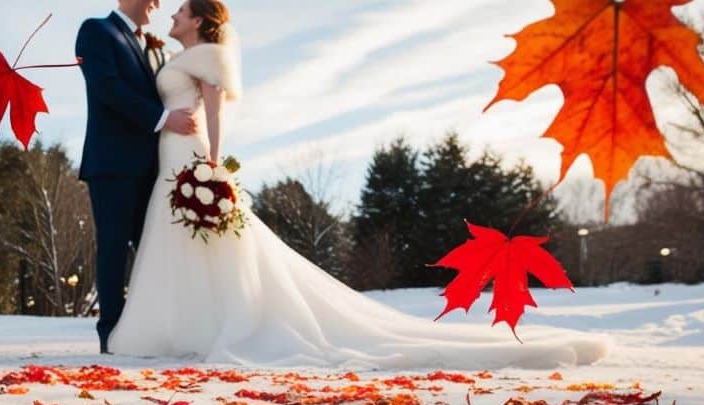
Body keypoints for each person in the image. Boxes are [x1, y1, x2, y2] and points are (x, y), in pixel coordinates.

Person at [107, 0, 610, 369]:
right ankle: (179, 324)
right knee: (177, 242)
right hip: (169, 154)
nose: (171, 16)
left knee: (206, 241)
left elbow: (213, 109)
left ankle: (213, 323)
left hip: (191, 157)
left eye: (179, 12)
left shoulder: (207, 58)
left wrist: (213, 164)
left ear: (197, 19)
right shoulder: (173, 56)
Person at [76, 0, 198, 354]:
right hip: (112, 164)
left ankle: (153, 329)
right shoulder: (96, 30)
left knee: (153, 250)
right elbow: (107, 88)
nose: (158, 4)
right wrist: (163, 119)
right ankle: (110, 335)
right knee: (113, 249)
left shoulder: (152, 45)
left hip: (153, 168)